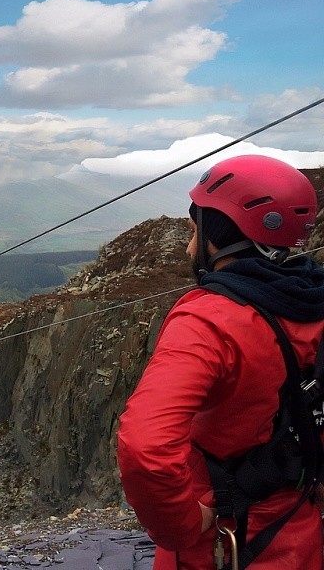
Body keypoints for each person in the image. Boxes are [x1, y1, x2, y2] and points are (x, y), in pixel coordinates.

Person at [117, 155, 324, 569]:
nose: (189, 247)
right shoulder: (314, 300)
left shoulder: (209, 321)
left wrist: (184, 525)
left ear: (222, 237)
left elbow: (145, 445)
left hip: (227, 541)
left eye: (195, 232)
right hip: (300, 527)